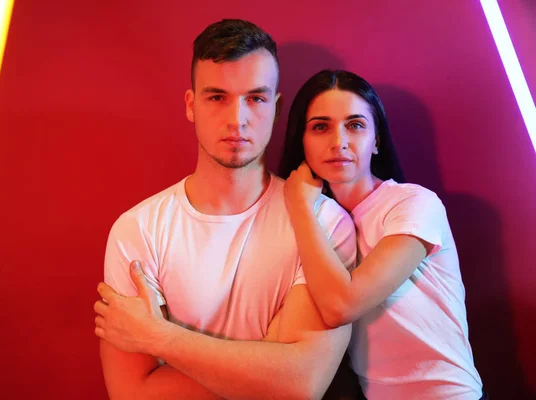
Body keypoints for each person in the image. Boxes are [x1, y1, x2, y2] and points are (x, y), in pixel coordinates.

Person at [93, 20, 357, 399]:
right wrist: (267, 369)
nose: (237, 119)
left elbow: (301, 384)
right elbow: (132, 392)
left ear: (277, 107)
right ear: (191, 105)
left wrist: (158, 336)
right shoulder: (138, 230)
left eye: (256, 98)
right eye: (217, 97)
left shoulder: (324, 224)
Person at [279, 69, 485, 399]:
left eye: (355, 125)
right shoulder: (317, 224)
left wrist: (299, 206)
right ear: (301, 140)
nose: (338, 142)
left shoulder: (413, 203)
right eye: (320, 127)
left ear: (376, 140)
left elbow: (341, 307)